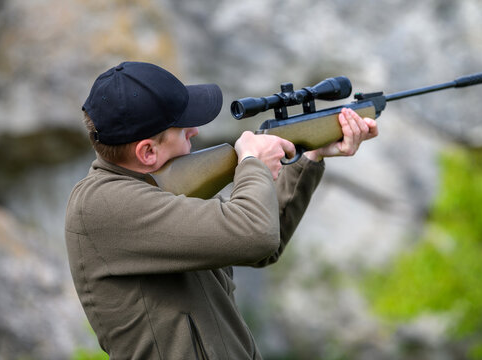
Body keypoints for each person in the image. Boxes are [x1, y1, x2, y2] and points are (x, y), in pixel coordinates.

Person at [65, 61, 378, 360]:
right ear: (148, 151)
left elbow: (265, 240)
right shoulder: (101, 205)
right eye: (182, 128)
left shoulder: (157, 192)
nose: (195, 131)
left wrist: (309, 154)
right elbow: (255, 235)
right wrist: (251, 162)